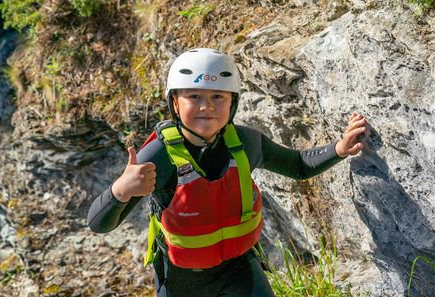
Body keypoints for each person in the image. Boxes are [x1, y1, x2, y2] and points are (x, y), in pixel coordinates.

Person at [87, 48, 367, 297]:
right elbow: (99, 224)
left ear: (232, 102)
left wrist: (339, 149)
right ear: (175, 103)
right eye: (193, 96)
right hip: (182, 283)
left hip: (240, 269)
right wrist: (121, 190)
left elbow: (297, 165)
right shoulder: (158, 156)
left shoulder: (247, 142)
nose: (206, 106)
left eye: (218, 97)